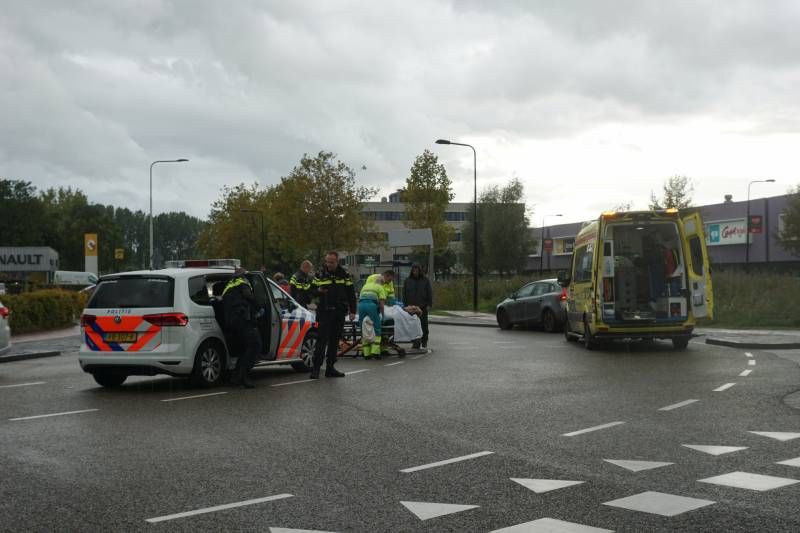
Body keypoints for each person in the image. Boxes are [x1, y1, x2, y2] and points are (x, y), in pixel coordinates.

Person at [310, 251, 356, 379]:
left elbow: (351, 293)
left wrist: (353, 311)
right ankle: (316, 369)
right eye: (327, 261)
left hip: (339, 311)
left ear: (337, 262)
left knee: (334, 341)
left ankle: (330, 368)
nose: (328, 264)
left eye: (331, 262)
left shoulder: (345, 275)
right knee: (321, 341)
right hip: (324, 311)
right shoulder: (320, 274)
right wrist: (318, 291)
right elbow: (311, 291)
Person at [222, 267, 261, 388]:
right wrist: (259, 307)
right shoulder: (243, 282)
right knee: (255, 345)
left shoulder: (228, 285)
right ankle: (242, 376)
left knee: (244, 348)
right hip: (242, 319)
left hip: (230, 321)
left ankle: (236, 376)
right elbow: (248, 296)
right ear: (243, 275)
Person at [402, 263, 432, 349]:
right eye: (413, 270)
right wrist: (405, 305)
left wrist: (429, 304)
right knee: (413, 325)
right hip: (411, 307)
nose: (415, 271)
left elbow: (429, 292)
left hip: (422, 306)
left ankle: (424, 340)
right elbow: (404, 293)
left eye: (416, 270)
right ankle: (416, 342)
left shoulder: (425, 280)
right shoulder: (407, 280)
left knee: (424, 324)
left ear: (419, 270)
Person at [358, 273, 385, 359]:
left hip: (361, 305)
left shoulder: (365, 286)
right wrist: (382, 314)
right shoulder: (379, 287)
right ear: (380, 282)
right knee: (377, 328)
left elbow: (360, 298)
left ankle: (366, 353)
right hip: (371, 305)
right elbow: (381, 303)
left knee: (363, 328)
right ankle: (375, 352)